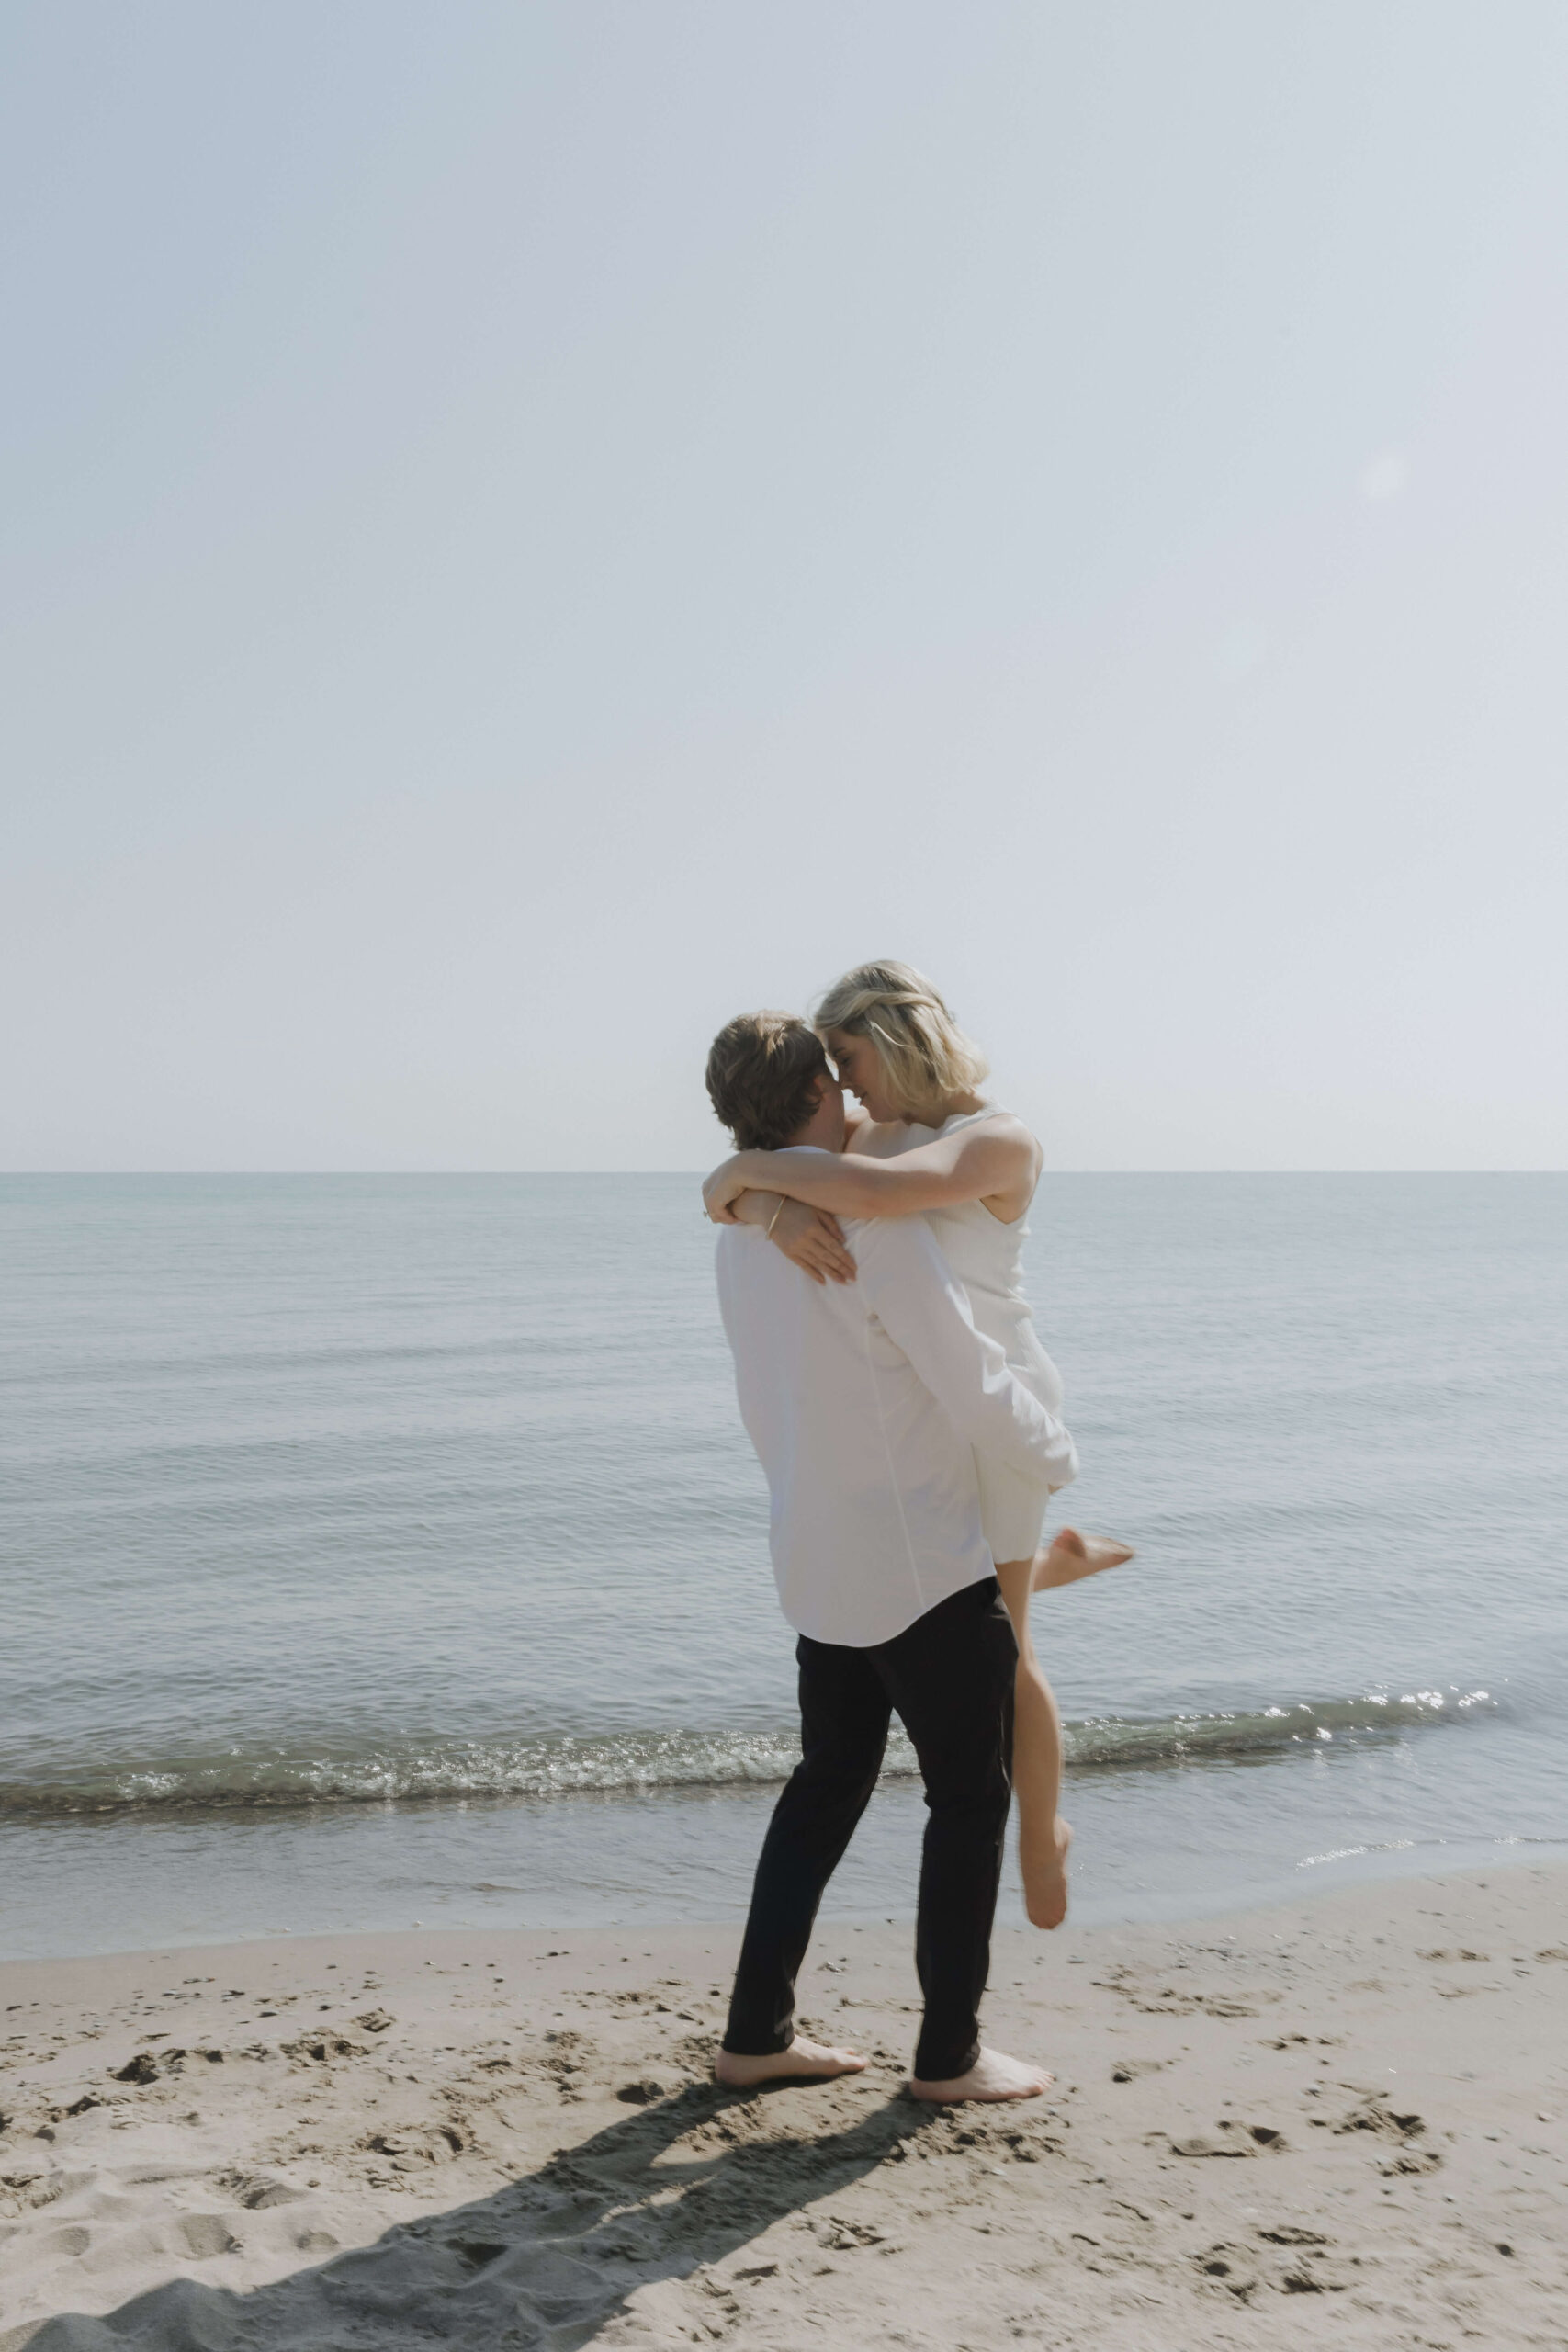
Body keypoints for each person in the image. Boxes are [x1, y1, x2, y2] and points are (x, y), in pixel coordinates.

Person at [704, 960, 1134, 1930]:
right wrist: (749, 1196)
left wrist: (741, 1180)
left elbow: (879, 1195)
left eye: (851, 1058)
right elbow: (801, 1165)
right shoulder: (872, 1132)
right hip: (938, 1404)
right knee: (977, 1600)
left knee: (1006, 1647)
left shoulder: (995, 1140)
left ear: (897, 1040)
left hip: (998, 1400)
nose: (843, 1083)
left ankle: (1041, 1837)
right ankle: (1051, 1567)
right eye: (835, 1069)